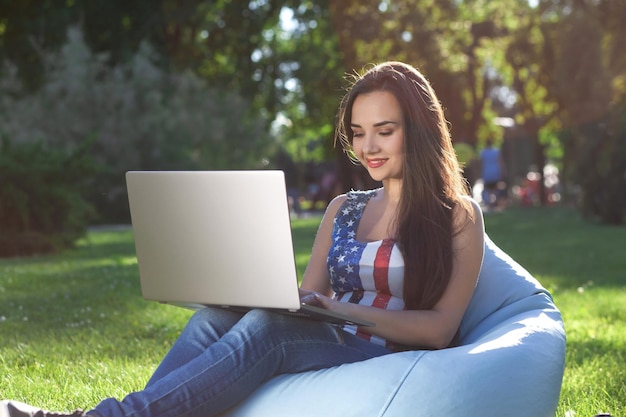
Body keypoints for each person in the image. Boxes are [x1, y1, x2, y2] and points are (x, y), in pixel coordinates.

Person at [0, 61, 485, 417]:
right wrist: (275, 297)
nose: (367, 148)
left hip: (388, 357)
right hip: (331, 339)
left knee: (270, 332)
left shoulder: (456, 216)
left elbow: (440, 329)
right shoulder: (345, 208)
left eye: (384, 131)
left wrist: (340, 310)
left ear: (419, 131)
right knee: (218, 318)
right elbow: (306, 298)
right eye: (358, 133)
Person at [479, 138, 506, 210]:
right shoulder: (496, 151)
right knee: (495, 188)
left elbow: (481, 163)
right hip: (495, 172)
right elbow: (500, 162)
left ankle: (489, 203)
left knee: (488, 189)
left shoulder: (483, 152)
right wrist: (502, 171)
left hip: (486, 172)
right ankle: (494, 202)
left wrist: (479, 173)